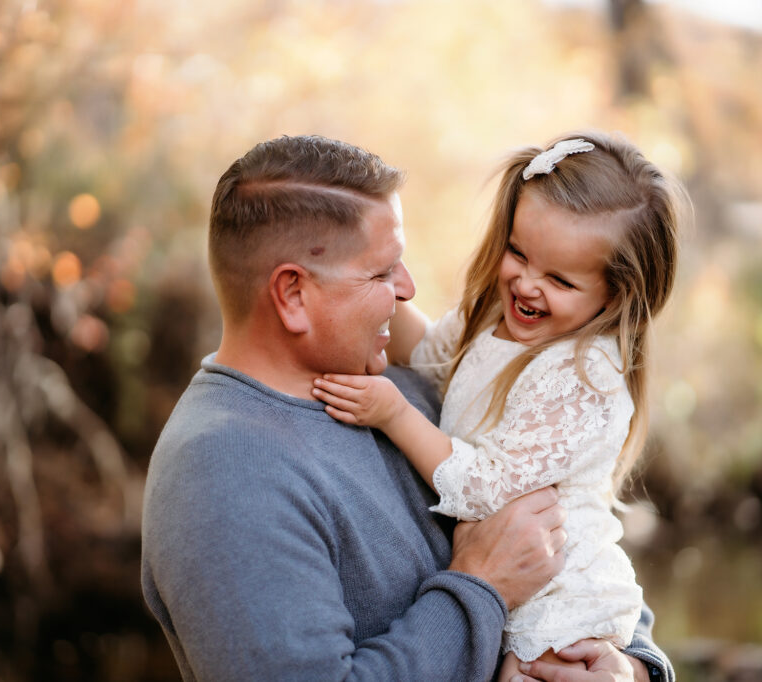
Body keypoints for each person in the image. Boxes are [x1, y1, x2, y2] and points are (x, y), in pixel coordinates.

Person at [140, 134, 675, 681]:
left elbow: (568, 540)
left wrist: (627, 667)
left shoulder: (406, 388)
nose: (408, 288)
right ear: (293, 295)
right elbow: (501, 564)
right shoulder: (226, 472)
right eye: (381, 272)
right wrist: (480, 589)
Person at [312, 132, 686, 682]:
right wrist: (379, 271)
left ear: (615, 295)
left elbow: (487, 490)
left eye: (559, 279)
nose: (526, 284)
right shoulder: (497, 316)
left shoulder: (584, 377)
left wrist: (393, 414)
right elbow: (426, 350)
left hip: (563, 608)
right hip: (511, 588)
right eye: (518, 253)